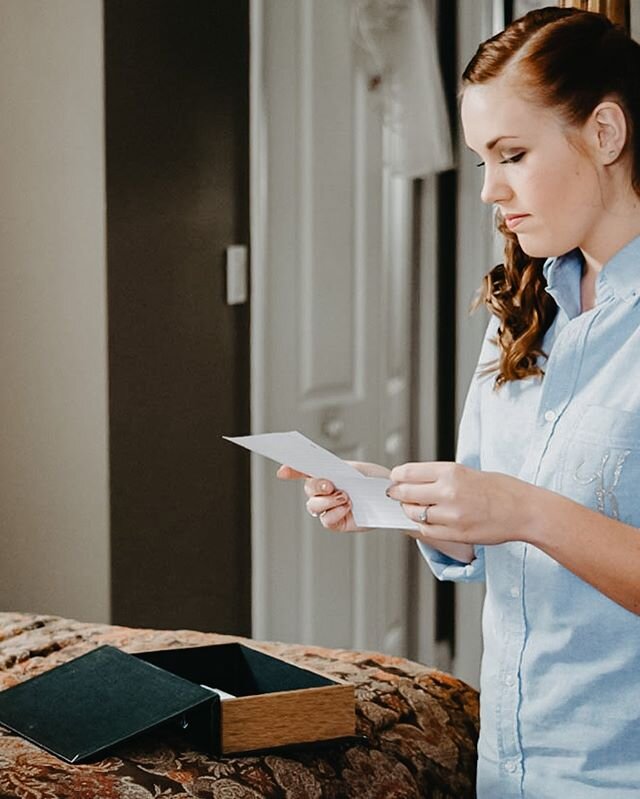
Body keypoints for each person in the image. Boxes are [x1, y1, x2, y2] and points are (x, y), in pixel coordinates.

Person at [278, 6, 640, 797]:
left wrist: (525, 509)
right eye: (482, 160)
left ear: (606, 133)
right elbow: (488, 526)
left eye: (512, 154)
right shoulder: (521, 310)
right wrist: (391, 496)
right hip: (509, 765)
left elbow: (519, 511)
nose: (489, 191)